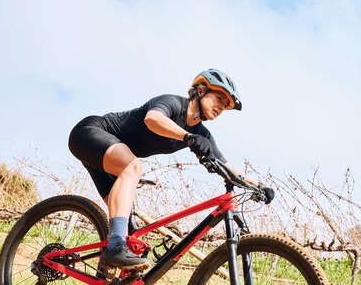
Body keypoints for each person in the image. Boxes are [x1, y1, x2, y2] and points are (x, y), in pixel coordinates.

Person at [68, 68, 273, 270]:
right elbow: (153, 119)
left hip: (110, 159)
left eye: (226, 105)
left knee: (126, 228)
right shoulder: (173, 103)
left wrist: (259, 185)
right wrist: (188, 138)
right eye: (220, 98)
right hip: (89, 134)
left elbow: (228, 168)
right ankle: (114, 249)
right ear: (201, 91)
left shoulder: (202, 133)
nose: (222, 107)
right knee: (133, 168)